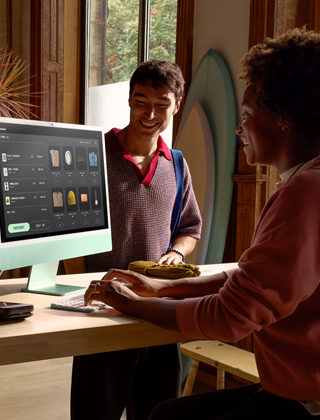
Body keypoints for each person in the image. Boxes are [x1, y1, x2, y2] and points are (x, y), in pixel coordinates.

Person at [85, 27, 320, 419]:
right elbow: (251, 279)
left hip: (304, 399)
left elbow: (231, 314)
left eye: (247, 116)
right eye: (140, 101)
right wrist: (160, 287)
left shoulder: (304, 193)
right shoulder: (306, 183)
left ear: (283, 119)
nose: (238, 128)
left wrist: (136, 302)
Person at [71, 59, 202, 420]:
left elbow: (190, 229)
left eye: (162, 103)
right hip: (102, 313)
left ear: (177, 105)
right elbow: (68, 230)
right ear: (129, 100)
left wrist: (177, 252)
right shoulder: (92, 155)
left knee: (157, 413)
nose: (150, 112)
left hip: (158, 312)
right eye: (142, 101)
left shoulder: (176, 164)